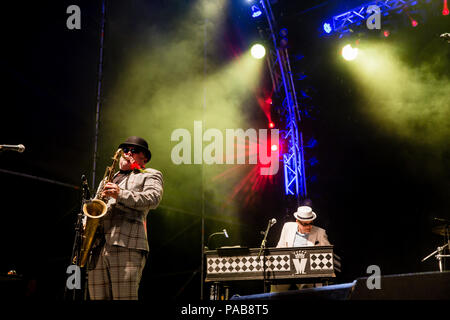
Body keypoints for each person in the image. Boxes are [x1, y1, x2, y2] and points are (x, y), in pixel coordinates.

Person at [87, 136, 164, 300]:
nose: (128, 152)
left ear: (144, 159)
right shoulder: (107, 179)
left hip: (127, 245)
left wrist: (120, 194)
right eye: (125, 149)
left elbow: (153, 198)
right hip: (98, 247)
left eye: (134, 151)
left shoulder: (149, 174)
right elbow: (95, 208)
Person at [271, 205, 331, 292]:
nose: (309, 226)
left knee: (306, 289)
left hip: (307, 271)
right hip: (288, 268)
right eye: (305, 224)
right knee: (275, 287)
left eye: (311, 223)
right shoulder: (287, 227)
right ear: (297, 222)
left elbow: (328, 254)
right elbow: (279, 249)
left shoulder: (320, 233)